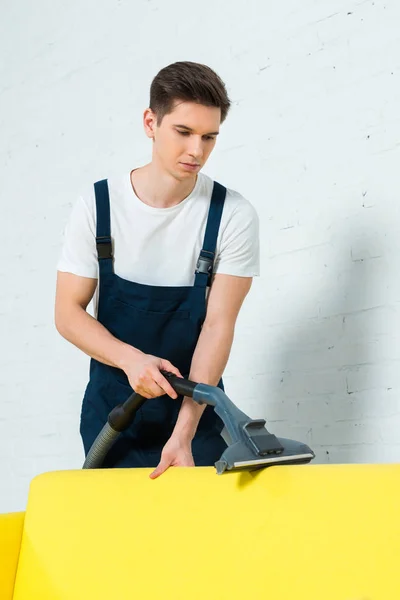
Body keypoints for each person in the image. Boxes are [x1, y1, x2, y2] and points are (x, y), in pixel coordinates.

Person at [55, 61, 260, 478]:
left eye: (209, 137)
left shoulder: (233, 215)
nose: (196, 151)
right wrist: (131, 361)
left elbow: (218, 327)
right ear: (151, 122)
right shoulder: (98, 207)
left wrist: (184, 433)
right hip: (114, 414)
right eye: (183, 132)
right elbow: (67, 314)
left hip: (196, 413)